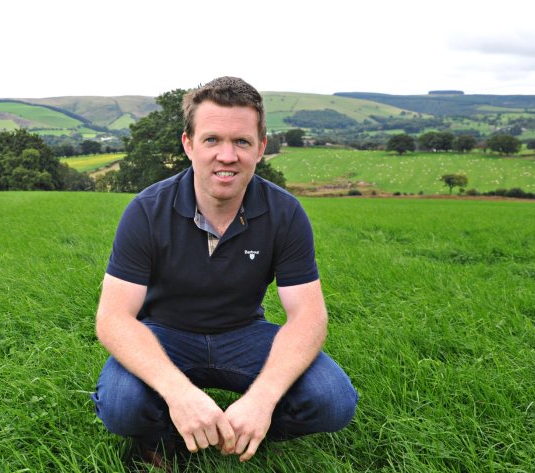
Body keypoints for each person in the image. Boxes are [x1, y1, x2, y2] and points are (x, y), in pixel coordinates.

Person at [91, 77, 357, 467]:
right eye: (212, 140)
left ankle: (250, 432)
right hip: (165, 333)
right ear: (189, 145)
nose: (227, 156)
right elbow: (113, 318)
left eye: (242, 142)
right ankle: (161, 439)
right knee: (121, 405)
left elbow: (309, 316)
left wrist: (263, 400)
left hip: (244, 333)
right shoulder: (146, 211)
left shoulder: (286, 213)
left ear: (261, 148)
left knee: (333, 399)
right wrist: (179, 394)